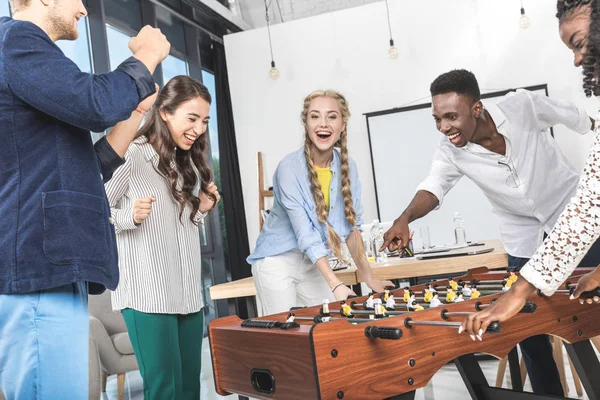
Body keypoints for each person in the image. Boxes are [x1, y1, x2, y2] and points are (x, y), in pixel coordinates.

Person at [381, 69, 598, 396]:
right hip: (522, 238)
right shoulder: (449, 150)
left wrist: (593, 129)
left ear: (477, 109)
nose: (443, 127)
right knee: (529, 334)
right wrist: (405, 218)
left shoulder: (522, 105)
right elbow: (434, 185)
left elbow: (573, 116)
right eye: (437, 119)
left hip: (573, 221)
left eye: (451, 116)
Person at [0, 0, 170, 398]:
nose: (82, 7)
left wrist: (132, 114)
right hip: (38, 270)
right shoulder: (17, 42)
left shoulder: (27, 61)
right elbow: (96, 103)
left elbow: (84, 171)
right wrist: (145, 58)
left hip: (52, 269)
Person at [461, 0, 600, 338]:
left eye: (580, 43)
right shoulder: (451, 153)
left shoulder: (523, 105)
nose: (578, 59)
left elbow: (587, 207)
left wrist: (520, 291)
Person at [104, 76, 219, 400]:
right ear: (165, 112)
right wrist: (129, 216)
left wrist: (201, 209)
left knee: (189, 390)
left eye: (205, 121)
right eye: (192, 118)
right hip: (147, 296)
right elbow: (96, 211)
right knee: (164, 392)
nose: (198, 129)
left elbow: (181, 226)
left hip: (186, 294)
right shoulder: (131, 154)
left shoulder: (186, 162)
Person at [247, 90, 393, 316]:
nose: (322, 123)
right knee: (285, 331)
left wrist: (369, 278)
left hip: (314, 262)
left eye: (332, 116)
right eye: (315, 116)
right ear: (305, 123)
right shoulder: (289, 168)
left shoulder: (348, 167)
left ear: (343, 125)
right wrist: (335, 284)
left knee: (330, 324)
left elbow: (351, 230)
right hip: (277, 262)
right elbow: (305, 233)